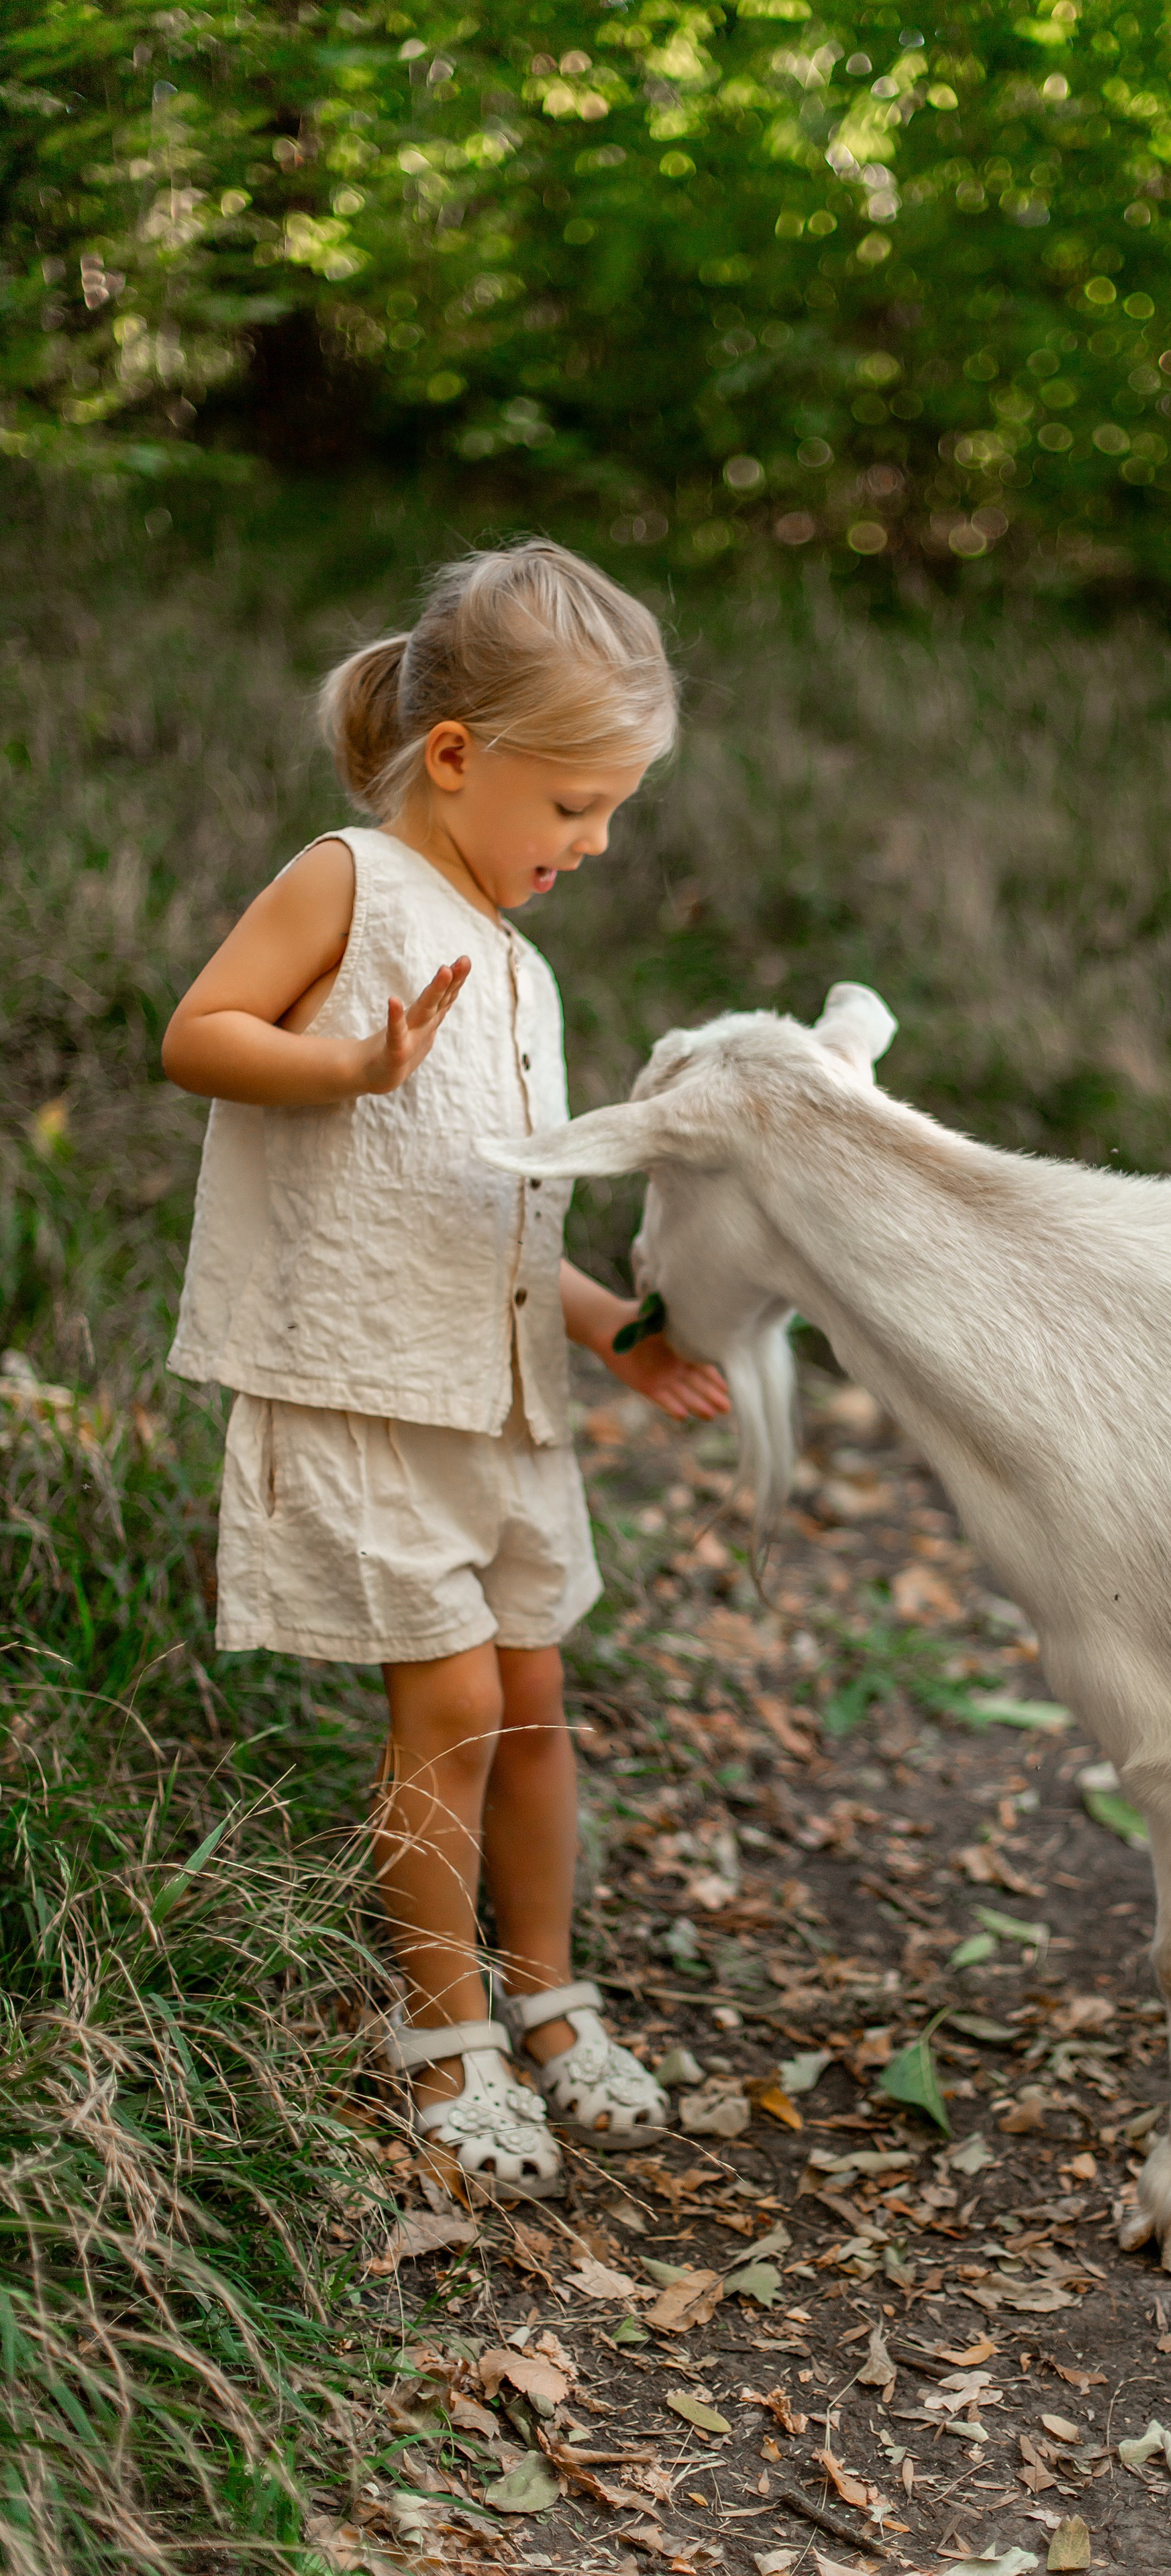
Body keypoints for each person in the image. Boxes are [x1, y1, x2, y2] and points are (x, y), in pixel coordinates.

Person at [162, 540, 728, 2199]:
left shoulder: (525, 962)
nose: (595, 844)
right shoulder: (348, 881)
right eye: (574, 808)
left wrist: (611, 1331)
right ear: (461, 755)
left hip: (494, 1400)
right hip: (365, 1385)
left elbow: (482, 1215)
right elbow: (199, 1032)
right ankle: (443, 2025)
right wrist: (348, 1061)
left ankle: (551, 1998)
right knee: (457, 1698)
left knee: (535, 1702)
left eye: (615, 810)